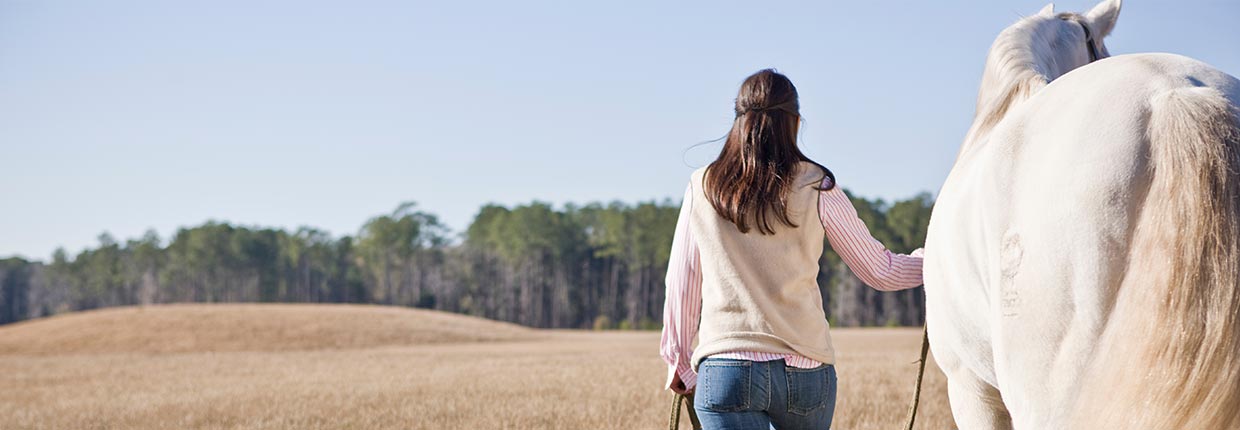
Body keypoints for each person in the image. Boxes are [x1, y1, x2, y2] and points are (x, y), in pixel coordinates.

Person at [659, 69, 924, 430]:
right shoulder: (817, 184)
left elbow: (682, 283)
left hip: (726, 371)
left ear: (738, 119)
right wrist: (938, 259)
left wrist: (679, 361)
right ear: (795, 122)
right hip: (806, 372)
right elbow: (881, 270)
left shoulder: (703, 185)